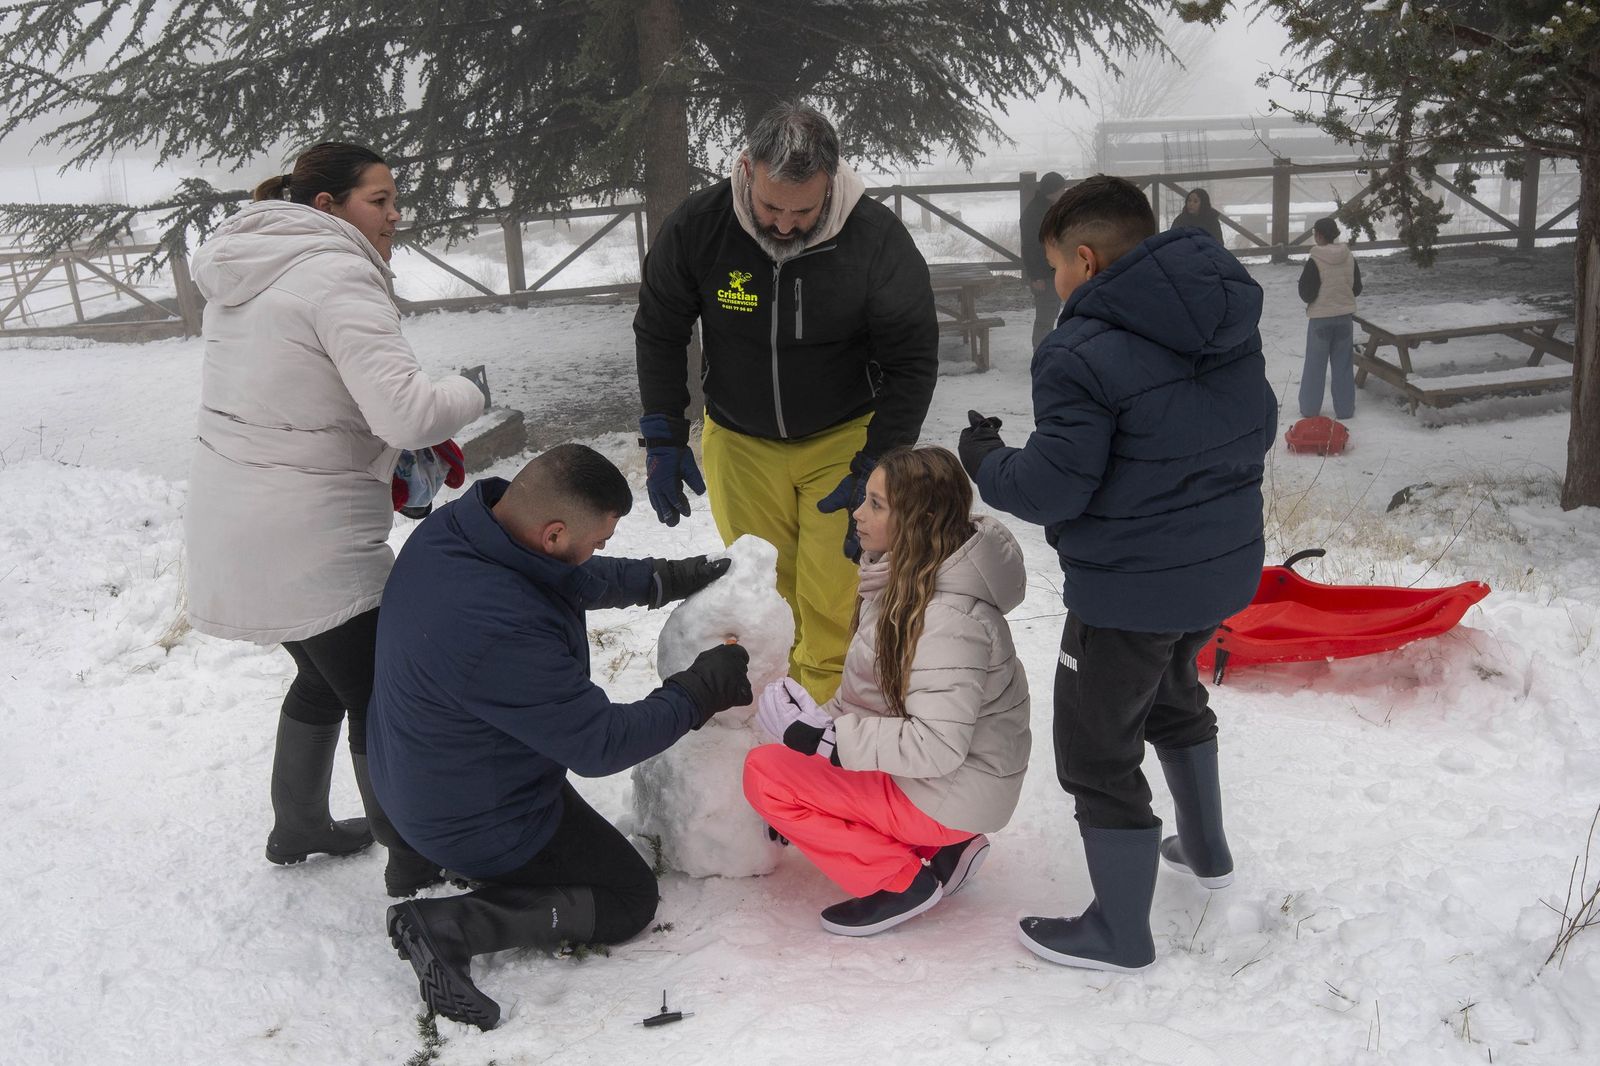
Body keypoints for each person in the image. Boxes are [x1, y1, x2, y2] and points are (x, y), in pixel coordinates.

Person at [958, 175, 1277, 972]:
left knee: (1095, 750)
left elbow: (1054, 486)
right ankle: (1205, 852)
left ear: (1088, 260)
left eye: (1055, 268)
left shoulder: (1078, 350)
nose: (1054, 284)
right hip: (1216, 570)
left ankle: (1120, 933)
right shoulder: (1224, 317)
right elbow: (1249, 426)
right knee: (1173, 694)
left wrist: (986, 459)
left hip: (1128, 588)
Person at [184, 142, 488, 897]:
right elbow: (407, 412)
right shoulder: (336, 272)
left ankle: (300, 825)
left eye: (395, 200)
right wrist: (469, 391)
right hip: (307, 534)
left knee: (323, 675)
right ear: (327, 206)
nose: (394, 215)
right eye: (379, 201)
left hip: (233, 517)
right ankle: (413, 858)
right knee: (384, 692)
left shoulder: (250, 268)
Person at [367, 444, 752, 1030]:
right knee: (628, 898)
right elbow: (599, 744)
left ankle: (427, 858)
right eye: (597, 542)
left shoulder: (460, 532)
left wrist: (665, 579)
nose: (597, 553)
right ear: (552, 534)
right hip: (474, 818)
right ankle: (454, 926)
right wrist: (698, 691)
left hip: (417, 776)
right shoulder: (497, 629)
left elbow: (567, 577)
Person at [634, 101, 939, 705]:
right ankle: (773, 708)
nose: (784, 225)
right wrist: (664, 431)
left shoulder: (874, 238)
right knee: (764, 591)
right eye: (772, 207)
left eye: (804, 210)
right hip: (739, 441)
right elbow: (661, 330)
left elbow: (912, 359)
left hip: (843, 439)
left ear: (831, 180)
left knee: (834, 597)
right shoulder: (700, 226)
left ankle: (824, 720)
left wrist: (877, 460)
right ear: (747, 170)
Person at [743, 446, 1030, 936]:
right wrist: (814, 725)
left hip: (952, 792)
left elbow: (937, 745)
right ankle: (944, 849)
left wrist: (825, 742)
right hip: (948, 789)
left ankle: (899, 881)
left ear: (921, 520)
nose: (857, 513)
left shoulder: (945, 618)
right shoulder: (905, 579)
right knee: (790, 762)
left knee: (764, 774)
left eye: (876, 504)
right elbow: (871, 698)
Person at [1298, 216, 1364, 420]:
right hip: (1344, 318)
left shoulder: (1315, 259)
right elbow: (1356, 288)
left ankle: (1309, 409)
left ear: (1318, 235)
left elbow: (1306, 293)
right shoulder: (1348, 256)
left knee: (1315, 366)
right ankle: (1345, 409)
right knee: (1343, 365)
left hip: (1320, 319)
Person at [1021, 171, 1071, 348]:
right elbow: (1030, 248)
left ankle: (1047, 352)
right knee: (1045, 319)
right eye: (1062, 189)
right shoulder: (1035, 214)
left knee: (1051, 314)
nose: (1063, 192)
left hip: (1053, 271)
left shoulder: (1049, 209)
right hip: (1044, 275)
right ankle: (1041, 355)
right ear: (1053, 191)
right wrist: (1036, 277)